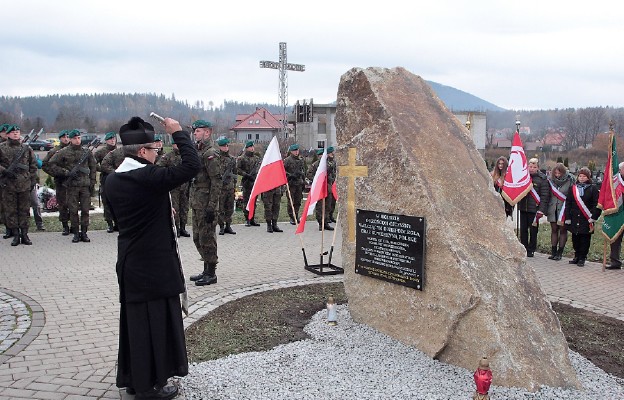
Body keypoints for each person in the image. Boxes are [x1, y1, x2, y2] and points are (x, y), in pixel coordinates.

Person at [104, 116, 199, 399]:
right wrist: (179, 133)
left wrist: (158, 209)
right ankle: (149, 388)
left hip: (131, 263)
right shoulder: (148, 177)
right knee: (154, 326)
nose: (158, 154)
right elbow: (192, 166)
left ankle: (135, 380)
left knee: (136, 326)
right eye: (155, 149)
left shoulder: (113, 179)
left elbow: (125, 214)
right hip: (154, 266)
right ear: (143, 152)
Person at [47, 129, 97, 243]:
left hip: (84, 185)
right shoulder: (63, 152)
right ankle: (75, 233)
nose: (77, 140)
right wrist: (65, 172)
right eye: (75, 138)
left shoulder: (86, 152)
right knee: (73, 211)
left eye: (79, 138)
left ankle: (84, 233)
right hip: (72, 186)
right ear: (70, 139)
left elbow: (93, 166)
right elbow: (51, 163)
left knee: (85, 210)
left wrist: (92, 181)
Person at [189, 119, 222, 286]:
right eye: (194, 131)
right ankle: (205, 268)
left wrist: (211, 206)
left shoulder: (211, 153)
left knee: (207, 237)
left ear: (207, 132)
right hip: (197, 201)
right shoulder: (199, 150)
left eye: (198, 131)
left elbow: (216, 181)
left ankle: (211, 273)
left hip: (206, 202)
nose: (195, 133)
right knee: (198, 237)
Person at [0, 124, 38, 246]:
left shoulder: (26, 148)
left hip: (24, 184)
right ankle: (15, 235)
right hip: (8, 184)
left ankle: (24, 234)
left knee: (24, 210)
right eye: (13, 132)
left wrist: (32, 180)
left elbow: (33, 165)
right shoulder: (2, 147)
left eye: (17, 132)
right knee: (11, 210)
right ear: (8, 134)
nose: (16, 133)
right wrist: (4, 171)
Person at [565, 167, 601, 267]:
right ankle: (576, 256)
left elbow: (596, 204)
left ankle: (582, 257)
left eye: (584, 176)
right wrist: (568, 217)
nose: (581, 178)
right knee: (575, 238)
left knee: (584, 238)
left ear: (588, 177)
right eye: (580, 176)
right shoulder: (573, 188)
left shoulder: (593, 189)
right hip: (574, 217)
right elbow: (568, 203)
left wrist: (593, 216)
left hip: (587, 217)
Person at [156, 137, 191, 237]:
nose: (178, 146)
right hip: (173, 188)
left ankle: (183, 228)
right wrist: (169, 175)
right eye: (176, 144)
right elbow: (159, 167)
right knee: (175, 208)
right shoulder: (168, 156)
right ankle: (176, 228)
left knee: (184, 208)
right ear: (172, 145)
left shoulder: (185, 156)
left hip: (184, 186)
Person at [517, 158, 550, 257]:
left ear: (538, 168)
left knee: (533, 230)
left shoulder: (542, 179)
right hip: (523, 207)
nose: (531, 169)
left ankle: (531, 249)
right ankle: (524, 247)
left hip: (534, 209)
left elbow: (544, 196)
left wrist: (541, 210)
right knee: (523, 230)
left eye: (534, 167)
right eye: (530, 166)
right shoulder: (524, 177)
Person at [42, 130, 72, 235]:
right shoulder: (55, 151)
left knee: (73, 204)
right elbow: (45, 164)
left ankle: (74, 225)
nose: (66, 139)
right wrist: (56, 173)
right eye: (64, 137)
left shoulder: (74, 150)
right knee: (62, 204)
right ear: (60, 139)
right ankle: (65, 226)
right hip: (61, 181)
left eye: (68, 136)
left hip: (73, 181)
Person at [546, 163, 574, 260]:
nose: (557, 175)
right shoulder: (550, 180)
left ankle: (560, 253)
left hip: (564, 209)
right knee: (554, 230)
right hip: (552, 208)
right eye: (556, 173)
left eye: (559, 173)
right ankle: (553, 252)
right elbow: (547, 194)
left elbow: (572, 196)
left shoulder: (570, 180)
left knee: (563, 230)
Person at [93, 132, 118, 232]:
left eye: (114, 139)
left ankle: (118, 223)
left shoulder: (119, 151)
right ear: (106, 140)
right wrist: (102, 169)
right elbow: (93, 164)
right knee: (107, 201)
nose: (112, 140)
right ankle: (109, 223)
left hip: (118, 178)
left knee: (118, 201)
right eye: (110, 139)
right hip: (106, 178)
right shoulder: (101, 152)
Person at [307, 148, 334, 231]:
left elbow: (333, 174)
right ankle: (320, 223)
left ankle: (325, 222)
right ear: (319, 156)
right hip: (319, 188)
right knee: (320, 206)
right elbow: (309, 174)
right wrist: (317, 180)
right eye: (321, 155)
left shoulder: (328, 164)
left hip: (328, 187)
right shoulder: (315, 164)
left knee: (327, 205)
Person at [236, 140, 261, 227]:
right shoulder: (241, 158)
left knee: (253, 201)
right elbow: (238, 169)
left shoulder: (256, 159)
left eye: (253, 147)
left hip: (254, 182)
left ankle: (252, 218)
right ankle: (247, 219)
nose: (252, 148)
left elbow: (259, 169)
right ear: (247, 148)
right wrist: (246, 175)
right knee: (246, 201)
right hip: (247, 182)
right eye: (251, 147)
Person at [216, 137, 237, 235]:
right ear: (220, 147)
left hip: (230, 187)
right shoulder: (217, 158)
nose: (226, 148)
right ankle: (221, 226)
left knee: (230, 207)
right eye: (224, 146)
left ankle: (228, 226)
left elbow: (235, 172)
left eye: (227, 146)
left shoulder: (232, 159)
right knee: (221, 208)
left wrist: (234, 182)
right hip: (221, 188)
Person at [284, 143, 306, 225]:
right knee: (291, 201)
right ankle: (292, 217)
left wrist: (303, 181)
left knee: (298, 201)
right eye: (294, 151)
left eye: (297, 150)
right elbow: (283, 171)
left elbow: (303, 171)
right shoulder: (287, 160)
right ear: (291, 151)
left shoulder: (301, 160)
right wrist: (291, 175)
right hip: (291, 183)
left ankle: (296, 215)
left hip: (299, 183)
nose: (296, 152)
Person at [607, 162, 624, 270]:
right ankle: (615, 261)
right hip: (618, 215)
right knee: (615, 239)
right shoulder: (615, 181)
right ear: (620, 170)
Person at [30, 153, 45, 231]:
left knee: (35, 204)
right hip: (15, 183)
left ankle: (39, 224)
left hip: (30, 182)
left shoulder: (27, 151)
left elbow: (39, 164)